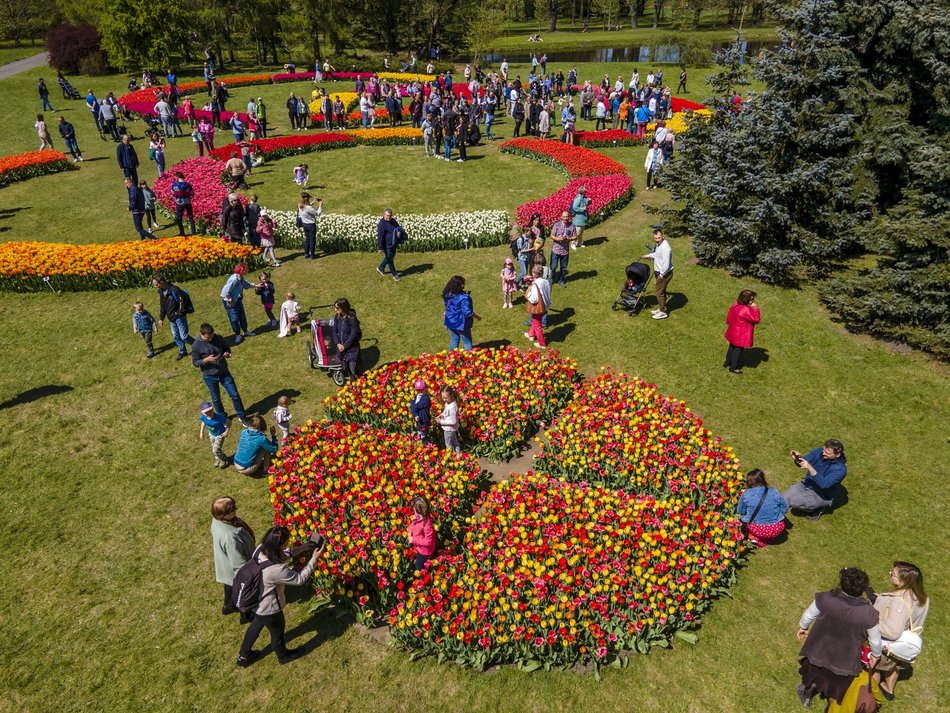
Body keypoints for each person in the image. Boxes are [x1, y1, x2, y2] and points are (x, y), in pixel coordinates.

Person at [236, 525, 325, 667]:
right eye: (286, 542)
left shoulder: (261, 549)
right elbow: (299, 579)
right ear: (281, 544)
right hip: (269, 607)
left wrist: (304, 547)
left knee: (256, 624)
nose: (288, 544)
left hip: (255, 601)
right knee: (277, 631)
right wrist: (313, 559)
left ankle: (244, 655)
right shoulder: (277, 570)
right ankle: (283, 656)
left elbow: (282, 554)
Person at [796, 568, 882, 709]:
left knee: (814, 674)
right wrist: (876, 655)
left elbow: (808, 615)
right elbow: (875, 641)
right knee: (837, 688)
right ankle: (831, 707)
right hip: (844, 661)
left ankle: (805, 690)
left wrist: (802, 627)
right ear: (862, 589)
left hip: (818, 650)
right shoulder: (868, 613)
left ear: (841, 583)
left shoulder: (825, 598)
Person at [870, 562, 930, 700]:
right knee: (893, 665)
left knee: (874, 669)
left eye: (894, 574)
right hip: (902, 646)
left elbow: (892, 631)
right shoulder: (922, 597)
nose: (890, 573)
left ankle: (870, 699)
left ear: (904, 581)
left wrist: (870, 622)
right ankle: (889, 689)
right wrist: (883, 600)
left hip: (888, 645)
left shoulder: (898, 602)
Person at [192, 323, 247, 425]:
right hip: (209, 376)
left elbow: (226, 347)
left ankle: (242, 416)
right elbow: (195, 362)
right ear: (201, 334)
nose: (210, 339)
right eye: (208, 338)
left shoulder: (218, 338)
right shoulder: (196, 345)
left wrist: (227, 353)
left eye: (212, 336)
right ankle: (222, 418)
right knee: (216, 399)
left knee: (234, 395)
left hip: (224, 372)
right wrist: (206, 360)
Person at [211, 497, 255, 615]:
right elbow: (239, 564)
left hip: (226, 567)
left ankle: (228, 606)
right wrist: (250, 576)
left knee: (229, 584)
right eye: (232, 509)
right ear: (224, 515)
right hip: (237, 571)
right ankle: (246, 614)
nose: (235, 509)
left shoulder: (217, 521)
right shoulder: (231, 537)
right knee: (243, 592)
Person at [784, 439, 847, 519]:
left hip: (821, 494)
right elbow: (802, 463)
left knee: (793, 501)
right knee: (782, 499)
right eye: (823, 450)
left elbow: (824, 484)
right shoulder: (819, 451)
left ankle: (816, 510)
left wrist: (810, 468)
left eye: (827, 453)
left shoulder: (840, 470)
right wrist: (797, 458)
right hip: (807, 483)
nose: (823, 453)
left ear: (837, 454)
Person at [737, 469, 789, 546]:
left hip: (757, 529)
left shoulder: (746, 494)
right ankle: (768, 538)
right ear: (763, 479)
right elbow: (785, 509)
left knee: (745, 520)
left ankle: (756, 537)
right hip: (776, 529)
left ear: (748, 482)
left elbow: (741, 511)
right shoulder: (774, 492)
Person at [152, 273, 194, 360]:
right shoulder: (161, 291)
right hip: (171, 319)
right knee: (176, 336)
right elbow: (162, 305)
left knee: (184, 336)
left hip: (179, 317)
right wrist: (161, 318)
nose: (156, 286)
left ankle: (199, 346)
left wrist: (178, 313)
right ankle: (183, 351)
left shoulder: (174, 289)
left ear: (162, 281)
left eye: (156, 284)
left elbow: (182, 302)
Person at [724, 290, 762, 374]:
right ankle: (734, 367)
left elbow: (729, 316)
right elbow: (756, 319)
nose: (753, 301)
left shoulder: (736, 304)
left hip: (733, 330)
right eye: (751, 299)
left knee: (732, 347)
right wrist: (755, 308)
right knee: (738, 350)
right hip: (741, 333)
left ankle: (728, 361)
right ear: (746, 300)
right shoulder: (745, 310)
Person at [220, 263, 257, 344]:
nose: (247, 270)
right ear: (241, 270)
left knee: (242, 316)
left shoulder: (240, 277)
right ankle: (237, 334)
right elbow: (224, 292)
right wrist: (231, 301)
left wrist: (254, 286)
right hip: (231, 302)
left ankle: (245, 331)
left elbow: (245, 284)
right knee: (234, 319)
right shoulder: (234, 279)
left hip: (238, 300)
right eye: (246, 269)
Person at [442, 276, 481, 351]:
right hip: (461, 323)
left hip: (450, 321)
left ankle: (452, 358)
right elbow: (468, 313)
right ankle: (468, 360)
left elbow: (446, 305)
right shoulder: (464, 298)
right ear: (460, 285)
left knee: (454, 339)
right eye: (462, 283)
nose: (464, 285)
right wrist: (477, 317)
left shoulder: (448, 294)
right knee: (467, 342)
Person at [641, 229, 673, 320]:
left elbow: (666, 265)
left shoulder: (666, 248)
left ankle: (663, 312)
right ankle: (661, 308)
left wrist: (661, 275)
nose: (657, 240)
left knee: (659, 292)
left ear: (663, 236)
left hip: (664, 274)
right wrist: (648, 256)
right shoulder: (659, 245)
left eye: (659, 238)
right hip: (660, 272)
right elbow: (657, 254)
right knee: (662, 291)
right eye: (655, 238)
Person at [332, 298, 362, 380]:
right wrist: (337, 343)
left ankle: (357, 382)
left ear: (343, 308)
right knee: (345, 366)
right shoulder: (337, 317)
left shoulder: (352, 318)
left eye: (337, 308)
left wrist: (345, 346)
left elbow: (354, 334)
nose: (335, 309)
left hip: (351, 348)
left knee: (353, 369)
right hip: (341, 348)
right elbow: (334, 331)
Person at [524, 264, 551, 348]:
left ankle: (542, 343)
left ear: (534, 273)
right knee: (535, 320)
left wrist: (527, 294)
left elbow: (534, 299)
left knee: (537, 325)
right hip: (544, 304)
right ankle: (531, 335)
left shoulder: (535, 284)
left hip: (537, 306)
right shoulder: (545, 281)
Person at [199, 398, 232, 467]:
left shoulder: (219, 417)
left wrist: (227, 431)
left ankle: (224, 459)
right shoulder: (203, 417)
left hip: (220, 435)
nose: (209, 413)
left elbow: (229, 422)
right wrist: (201, 432)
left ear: (212, 409)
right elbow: (203, 422)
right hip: (211, 434)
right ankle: (218, 458)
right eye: (206, 412)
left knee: (215, 449)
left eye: (210, 411)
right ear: (203, 413)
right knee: (213, 447)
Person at [408, 495, 436, 570]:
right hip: (418, 544)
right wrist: (410, 530)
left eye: (414, 507)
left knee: (418, 564)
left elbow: (428, 542)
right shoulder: (419, 516)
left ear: (418, 510)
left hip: (424, 550)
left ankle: (422, 571)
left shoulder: (427, 525)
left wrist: (413, 540)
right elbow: (414, 523)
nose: (413, 508)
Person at [549, 211, 576, 287]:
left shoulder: (572, 226)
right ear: (561, 217)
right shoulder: (557, 225)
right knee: (553, 266)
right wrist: (557, 239)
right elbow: (552, 235)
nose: (566, 218)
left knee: (563, 268)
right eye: (564, 217)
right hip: (556, 249)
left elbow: (575, 236)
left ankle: (561, 281)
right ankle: (550, 279)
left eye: (567, 216)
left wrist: (569, 238)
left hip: (565, 250)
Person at [376, 208, 404, 281]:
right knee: (390, 260)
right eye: (387, 215)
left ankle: (380, 268)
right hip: (387, 245)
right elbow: (380, 236)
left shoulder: (393, 220)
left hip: (394, 243)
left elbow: (398, 227)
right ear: (384, 215)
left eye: (390, 215)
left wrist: (399, 232)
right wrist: (380, 248)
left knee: (390, 257)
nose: (388, 217)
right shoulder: (382, 224)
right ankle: (395, 275)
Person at [436, 385, 461, 454]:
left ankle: (451, 457)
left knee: (448, 444)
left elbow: (453, 421)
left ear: (451, 395)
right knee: (455, 441)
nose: (444, 400)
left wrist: (441, 421)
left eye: (446, 398)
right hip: (451, 428)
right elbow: (445, 411)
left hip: (449, 429)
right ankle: (458, 455)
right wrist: (441, 415)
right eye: (443, 397)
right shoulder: (448, 403)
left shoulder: (452, 407)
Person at [170, 172, 197, 236]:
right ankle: (193, 232)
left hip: (179, 203)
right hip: (187, 202)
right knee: (190, 217)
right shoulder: (188, 185)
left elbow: (172, 193)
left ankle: (182, 232)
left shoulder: (174, 185)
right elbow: (192, 193)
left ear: (177, 177)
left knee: (179, 218)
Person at [297, 193, 323, 259]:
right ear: (308, 198)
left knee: (307, 239)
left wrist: (313, 202)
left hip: (304, 224)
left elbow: (307, 207)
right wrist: (320, 205)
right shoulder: (308, 208)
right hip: (311, 225)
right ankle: (312, 255)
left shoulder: (300, 205)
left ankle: (306, 254)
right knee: (312, 240)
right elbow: (318, 213)